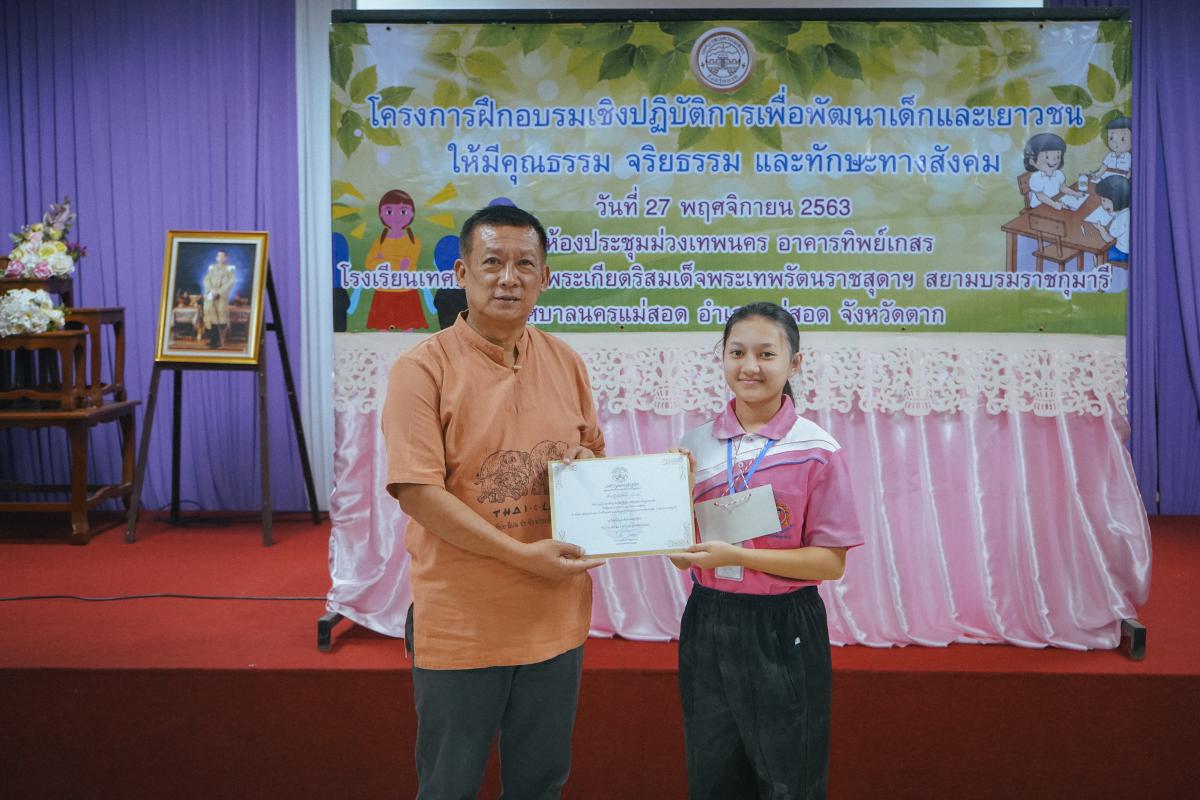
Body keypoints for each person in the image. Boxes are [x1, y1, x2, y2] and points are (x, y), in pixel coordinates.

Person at [381, 204, 606, 799]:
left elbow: (592, 454)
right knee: (449, 786)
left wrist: (592, 471)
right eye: (492, 263)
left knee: (540, 784)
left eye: (524, 264)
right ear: (462, 273)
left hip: (554, 620)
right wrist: (520, 555)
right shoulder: (421, 369)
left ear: (545, 277)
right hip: (464, 624)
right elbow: (418, 493)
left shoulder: (566, 361)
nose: (509, 278)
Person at [670, 301, 864, 800]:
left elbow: (830, 563)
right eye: (736, 352)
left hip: (784, 624)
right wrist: (671, 521)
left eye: (766, 354)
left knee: (789, 775)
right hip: (708, 619)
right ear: (722, 358)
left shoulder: (817, 449)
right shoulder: (693, 446)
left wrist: (739, 557)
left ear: (794, 363)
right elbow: (680, 553)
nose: (749, 366)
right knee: (712, 775)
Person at [365, 189, 428, 331]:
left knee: (408, 327)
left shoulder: (414, 241)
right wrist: (390, 263)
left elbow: (407, 265)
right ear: (381, 214)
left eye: (403, 211)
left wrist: (383, 261)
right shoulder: (379, 241)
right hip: (383, 290)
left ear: (412, 214)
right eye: (389, 211)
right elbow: (369, 263)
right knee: (382, 328)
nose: (396, 217)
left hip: (406, 290)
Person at [1023, 132, 1085, 210]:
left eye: (1058, 156)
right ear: (1032, 161)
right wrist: (1053, 204)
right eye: (1047, 157)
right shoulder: (1036, 177)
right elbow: (1040, 196)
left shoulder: (1059, 174)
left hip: (1055, 201)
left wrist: (1075, 194)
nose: (1054, 160)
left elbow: (1063, 188)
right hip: (1039, 207)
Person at [1091, 174, 1132, 265]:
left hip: (1124, 253)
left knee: (1098, 255)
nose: (1102, 204)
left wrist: (1100, 228)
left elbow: (1109, 239)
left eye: (1104, 200)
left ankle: (1100, 270)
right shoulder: (1128, 211)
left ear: (1116, 200)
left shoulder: (1120, 220)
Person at [201, 250, 236, 349]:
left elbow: (230, 282)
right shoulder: (212, 268)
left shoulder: (229, 269)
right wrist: (210, 290)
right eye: (218, 256)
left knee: (220, 319)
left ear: (226, 258)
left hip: (221, 297)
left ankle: (219, 341)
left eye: (223, 256)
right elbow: (206, 280)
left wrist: (219, 292)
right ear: (216, 258)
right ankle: (212, 340)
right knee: (211, 318)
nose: (220, 258)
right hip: (211, 296)